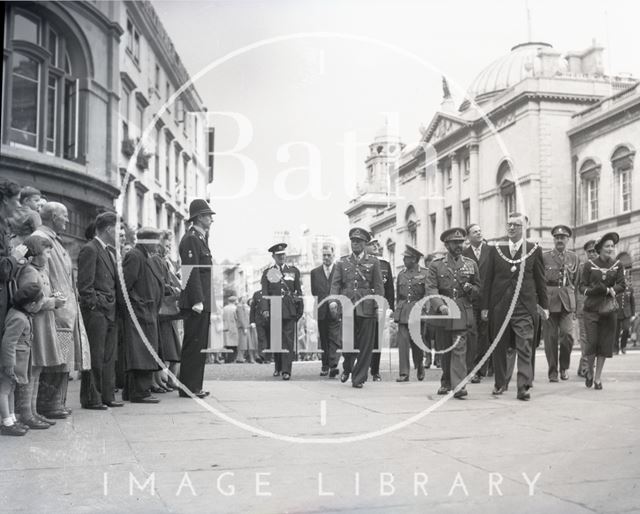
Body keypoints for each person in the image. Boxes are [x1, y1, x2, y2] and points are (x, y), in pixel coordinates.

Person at [33, 202, 95, 417]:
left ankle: (56, 402)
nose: (68, 220)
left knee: (63, 358)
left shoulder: (54, 240)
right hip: (56, 311)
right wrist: (54, 300)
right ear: (52, 217)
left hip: (64, 311)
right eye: (64, 216)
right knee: (56, 358)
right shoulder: (42, 238)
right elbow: (42, 275)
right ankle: (49, 404)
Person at [481, 212, 548, 401]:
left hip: (524, 306)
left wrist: (544, 305)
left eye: (516, 225)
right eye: (509, 224)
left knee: (525, 344)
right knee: (500, 346)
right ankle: (500, 382)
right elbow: (487, 280)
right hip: (500, 305)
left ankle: (523, 386)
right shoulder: (496, 250)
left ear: (524, 228)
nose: (511, 228)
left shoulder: (534, 250)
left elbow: (540, 280)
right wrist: (486, 307)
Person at [14, 235, 65, 429]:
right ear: (35, 254)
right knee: (31, 368)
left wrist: (53, 298)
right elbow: (28, 299)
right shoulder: (29, 271)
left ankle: (32, 411)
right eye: (47, 252)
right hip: (35, 324)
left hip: (43, 323)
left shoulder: (39, 270)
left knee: (37, 368)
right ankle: (26, 413)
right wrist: (53, 302)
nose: (49, 257)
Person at [426, 228, 480, 399]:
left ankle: (459, 386)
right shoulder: (436, 265)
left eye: (461, 242)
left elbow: (479, 289)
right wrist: (440, 305)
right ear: (446, 244)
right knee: (444, 348)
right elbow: (431, 287)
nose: (459, 245)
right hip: (443, 310)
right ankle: (446, 381)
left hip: (462, 310)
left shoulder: (471, 264)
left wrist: (471, 289)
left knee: (459, 347)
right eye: (455, 242)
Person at [77, 212, 122, 408]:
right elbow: (85, 286)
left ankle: (106, 396)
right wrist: (95, 305)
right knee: (95, 356)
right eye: (119, 229)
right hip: (97, 312)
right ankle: (92, 398)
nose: (120, 233)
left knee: (107, 357)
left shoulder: (107, 251)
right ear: (110, 229)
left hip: (109, 311)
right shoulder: (90, 249)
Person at [329, 227, 384, 388]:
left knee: (366, 345)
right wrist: (333, 300)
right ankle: (347, 367)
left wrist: (379, 306)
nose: (355, 244)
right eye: (353, 241)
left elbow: (378, 286)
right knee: (347, 342)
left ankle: (358, 378)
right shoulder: (342, 262)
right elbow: (336, 284)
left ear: (365, 243)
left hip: (367, 307)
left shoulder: (373, 262)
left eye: (359, 241)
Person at [178, 199, 216, 399]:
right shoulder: (192, 239)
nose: (211, 219)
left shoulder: (200, 238)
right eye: (208, 215)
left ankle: (194, 386)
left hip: (202, 300)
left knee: (199, 344)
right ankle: (188, 387)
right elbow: (190, 272)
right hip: (197, 302)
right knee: (193, 343)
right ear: (199, 217)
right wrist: (197, 300)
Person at [121, 227, 163, 403]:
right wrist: (137, 305)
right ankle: (139, 392)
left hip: (146, 312)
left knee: (144, 352)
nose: (158, 244)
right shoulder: (135, 256)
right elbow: (126, 286)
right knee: (140, 354)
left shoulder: (144, 256)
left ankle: (138, 391)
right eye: (155, 240)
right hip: (140, 313)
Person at [579, 232, 625, 389]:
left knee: (604, 345)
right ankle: (589, 371)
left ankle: (597, 378)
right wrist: (594, 290)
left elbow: (622, 285)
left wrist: (611, 290)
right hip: (591, 309)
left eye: (612, 246)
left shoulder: (617, 265)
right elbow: (582, 286)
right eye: (607, 246)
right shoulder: (589, 265)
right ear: (600, 248)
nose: (610, 249)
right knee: (591, 343)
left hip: (608, 310)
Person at [0, 283, 44, 436]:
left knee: (10, 390)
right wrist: (8, 364)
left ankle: (11, 419)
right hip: (11, 363)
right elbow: (8, 342)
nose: (41, 305)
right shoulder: (19, 318)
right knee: (4, 391)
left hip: (16, 363)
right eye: (40, 302)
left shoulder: (21, 314)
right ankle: (6, 422)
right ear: (32, 305)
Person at [260, 243, 303, 380]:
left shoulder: (293, 271)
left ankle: (286, 370)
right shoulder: (268, 273)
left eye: (283, 255)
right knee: (277, 340)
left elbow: (298, 291)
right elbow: (265, 293)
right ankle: (278, 366)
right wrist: (265, 309)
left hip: (289, 310)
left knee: (288, 340)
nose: (281, 257)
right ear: (273, 256)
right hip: (274, 309)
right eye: (278, 255)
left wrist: (300, 309)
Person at [542, 225, 579, 382]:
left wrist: (576, 306)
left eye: (562, 238)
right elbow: (540, 282)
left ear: (567, 240)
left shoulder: (574, 257)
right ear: (554, 240)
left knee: (567, 336)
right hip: (550, 301)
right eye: (557, 238)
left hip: (567, 301)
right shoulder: (545, 257)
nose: (559, 240)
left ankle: (564, 367)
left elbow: (576, 282)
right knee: (550, 339)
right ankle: (553, 371)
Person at [462, 223, 491, 383]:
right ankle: (471, 369)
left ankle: (482, 369)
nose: (479, 233)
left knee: (485, 335)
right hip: (470, 300)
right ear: (468, 236)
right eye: (475, 232)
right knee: (472, 334)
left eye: (480, 231)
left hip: (487, 300)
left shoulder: (491, 251)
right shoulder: (464, 254)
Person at [153, 231, 182, 389]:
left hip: (169, 309)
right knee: (165, 347)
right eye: (167, 244)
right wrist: (174, 289)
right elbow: (163, 283)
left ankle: (166, 379)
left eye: (170, 245)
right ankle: (160, 380)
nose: (169, 247)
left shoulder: (167, 261)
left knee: (172, 348)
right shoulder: (158, 260)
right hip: (164, 309)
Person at [394, 245, 427, 382]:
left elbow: (427, 295)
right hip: (403, 311)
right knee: (403, 343)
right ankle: (404, 373)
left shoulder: (425, 273)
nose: (403, 260)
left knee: (417, 344)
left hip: (417, 311)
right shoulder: (401, 274)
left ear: (414, 259)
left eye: (406, 258)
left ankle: (419, 366)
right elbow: (398, 294)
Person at [310, 244, 341, 378]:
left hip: (335, 310)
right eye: (324, 255)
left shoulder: (339, 270)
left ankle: (333, 365)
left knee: (334, 338)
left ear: (333, 255)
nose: (326, 257)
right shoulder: (314, 273)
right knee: (323, 339)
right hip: (321, 310)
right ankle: (325, 365)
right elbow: (314, 292)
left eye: (329, 255)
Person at [366, 238, 394, 381]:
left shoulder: (385, 264)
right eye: (372, 244)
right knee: (363, 339)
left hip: (379, 306)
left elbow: (389, 288)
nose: (376, 246)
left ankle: (375, 370)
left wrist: (390, 307)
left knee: (377, 340)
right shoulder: (359, 263)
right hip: (364, 306)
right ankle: (363, 367)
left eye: (377, 243)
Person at [1, 180, 26, 336]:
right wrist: (15, 257)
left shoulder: (4, 225)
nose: (18, 205)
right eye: (16, 200)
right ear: (5, 199)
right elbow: (2, 269)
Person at [576, 240, 597, 377]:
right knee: (585, 338)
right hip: (584, 307)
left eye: (595, 251)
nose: (593, 254)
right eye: (590, 251)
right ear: (586, 253)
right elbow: (577, 287)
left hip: (598, 308)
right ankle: (586, 367)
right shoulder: (582, 268)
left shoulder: (603, 267)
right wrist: (577, 307)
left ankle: (583, 366)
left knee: (594, 338)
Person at [615, 255, 635, 355]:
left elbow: (632, 302)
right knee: (616, 331)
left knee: (626, 329)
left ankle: (623, 346)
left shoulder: (629, 289)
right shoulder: (615, 287)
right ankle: (615, 348)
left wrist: (633, 314)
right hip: (617, 312)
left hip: (627, 313)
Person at [250, 289, 270, 364]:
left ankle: (267, 357)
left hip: (270, 320)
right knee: (261, 338)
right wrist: (252, 321)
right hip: (259, 320)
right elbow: (253, 308)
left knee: (269, 338)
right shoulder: (257, 294)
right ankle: (261, 355)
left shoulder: (272, 293)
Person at [222, 296, 240, 363]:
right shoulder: (235, 308)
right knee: (234, 344)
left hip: (226, 326)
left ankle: (226, 358)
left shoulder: (224, 308)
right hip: (233, 326)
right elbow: (237, 318)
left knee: (227, 344)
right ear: (235, 301)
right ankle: (231, 359)